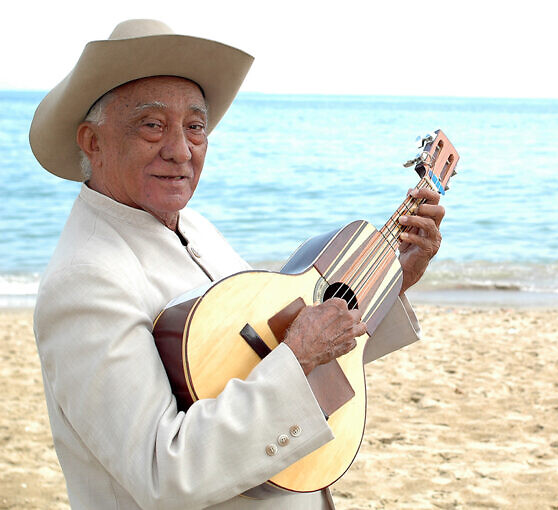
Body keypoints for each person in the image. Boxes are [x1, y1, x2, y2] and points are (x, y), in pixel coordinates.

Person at [29, 20, 445, 510]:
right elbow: (165, 474)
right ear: (92, 141)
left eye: (195, 127)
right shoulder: (84, 281)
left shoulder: (195, 226)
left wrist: (390, 282)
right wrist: (298, 355)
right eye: (152, 125)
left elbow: (261, 356)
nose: (180, 151)